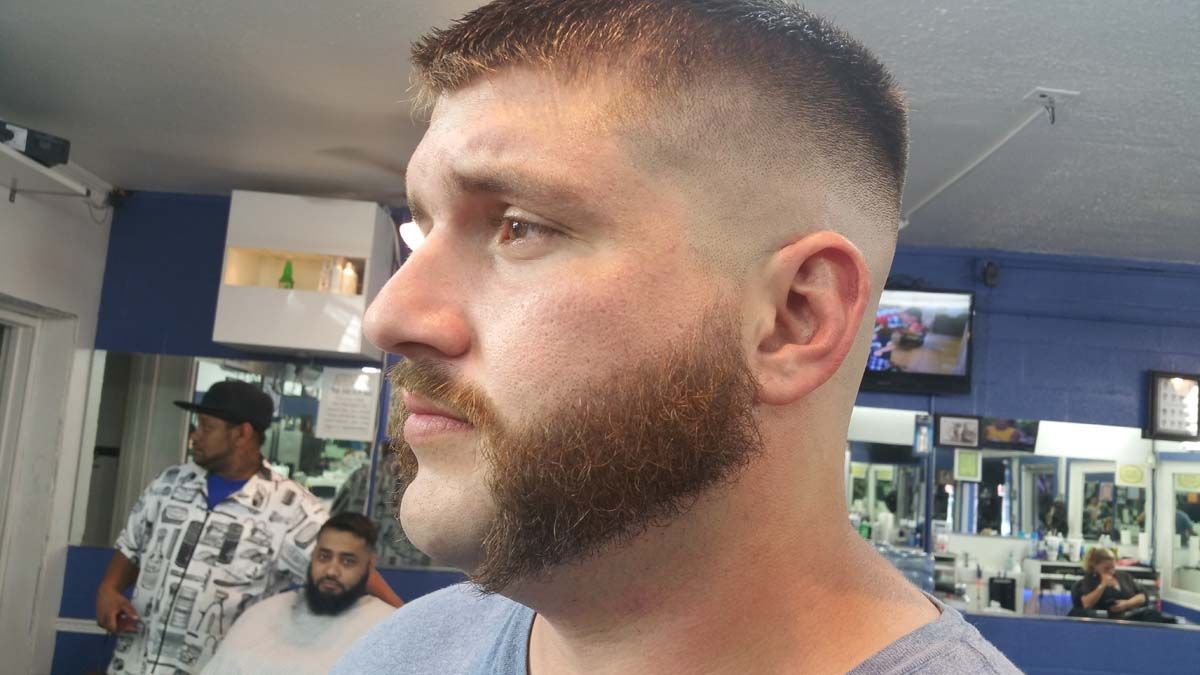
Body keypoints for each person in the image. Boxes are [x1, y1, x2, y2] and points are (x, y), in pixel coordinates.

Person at [339, 1, 1017, 673]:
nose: (388, 317)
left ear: (793, 318)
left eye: (519, 226)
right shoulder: (404, 650)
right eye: (425, 229)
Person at [95, 380, 403, 674]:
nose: (195, 436)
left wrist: (406, 626)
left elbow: (354, 566)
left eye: (207, 427)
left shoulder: (289, 508)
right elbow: (131, 547)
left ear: (241, 434)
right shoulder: (170, 484)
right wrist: (109, 589)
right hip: (135, 664)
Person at [199, 513, 396, 674]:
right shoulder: (264, 613)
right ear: (313, 556)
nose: (331, 571)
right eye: (324, 557)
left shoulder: (385, 628)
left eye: (347, 561)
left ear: (370, 564)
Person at [1071, 547, 1174, 623]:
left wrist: (1127, 604)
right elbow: (1086, 604)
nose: (1111, 571)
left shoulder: (1123, 577)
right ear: (1095, 566)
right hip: (1106, 619)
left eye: (1112, 567)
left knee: (1154, 615)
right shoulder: (1089, 580)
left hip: (1129, 616)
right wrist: (1103, 585)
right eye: (1106, 568)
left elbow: (1142, 596)